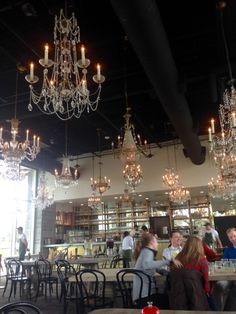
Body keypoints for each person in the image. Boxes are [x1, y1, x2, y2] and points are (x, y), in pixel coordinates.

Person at [133, 232, 182, 308]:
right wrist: (169, 261)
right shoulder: (147, 251)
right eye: (156, 242)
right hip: (145, 297)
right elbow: (147, 265)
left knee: (168, 298)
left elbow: (156, 268)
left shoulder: (145, 252)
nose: (158, 244)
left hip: (143, 295)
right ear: (151, 243)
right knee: (172, 301)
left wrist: (168, 273)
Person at [169, 235, 210, 310]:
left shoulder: (178, 257)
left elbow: (172, 275)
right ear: (199, 246)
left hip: (178, 297)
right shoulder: (201, 259)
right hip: (196, 297)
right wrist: (207, 292)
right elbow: (206, 281)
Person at [213, 228, 236, 311]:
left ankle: (229, 310)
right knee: (218, 286)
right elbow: (222, 264)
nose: (233, 239)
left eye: (234, 236)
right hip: (229, 277)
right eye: (230, 237)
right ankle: (218, 310)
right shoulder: (228, 250)